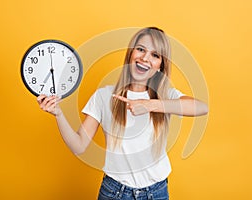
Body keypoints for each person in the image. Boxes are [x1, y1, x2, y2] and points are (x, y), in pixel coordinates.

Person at [37, 27, 208, 200]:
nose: (145, 58)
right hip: (114, 192)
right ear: (130, 54)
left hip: (156, 193)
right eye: (140, 49)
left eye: (155, 55)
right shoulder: (104, 96)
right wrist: (58, 113)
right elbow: (79, 145)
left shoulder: (167, 96)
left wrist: (150, 105)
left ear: (160, 66)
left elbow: (201, 108)